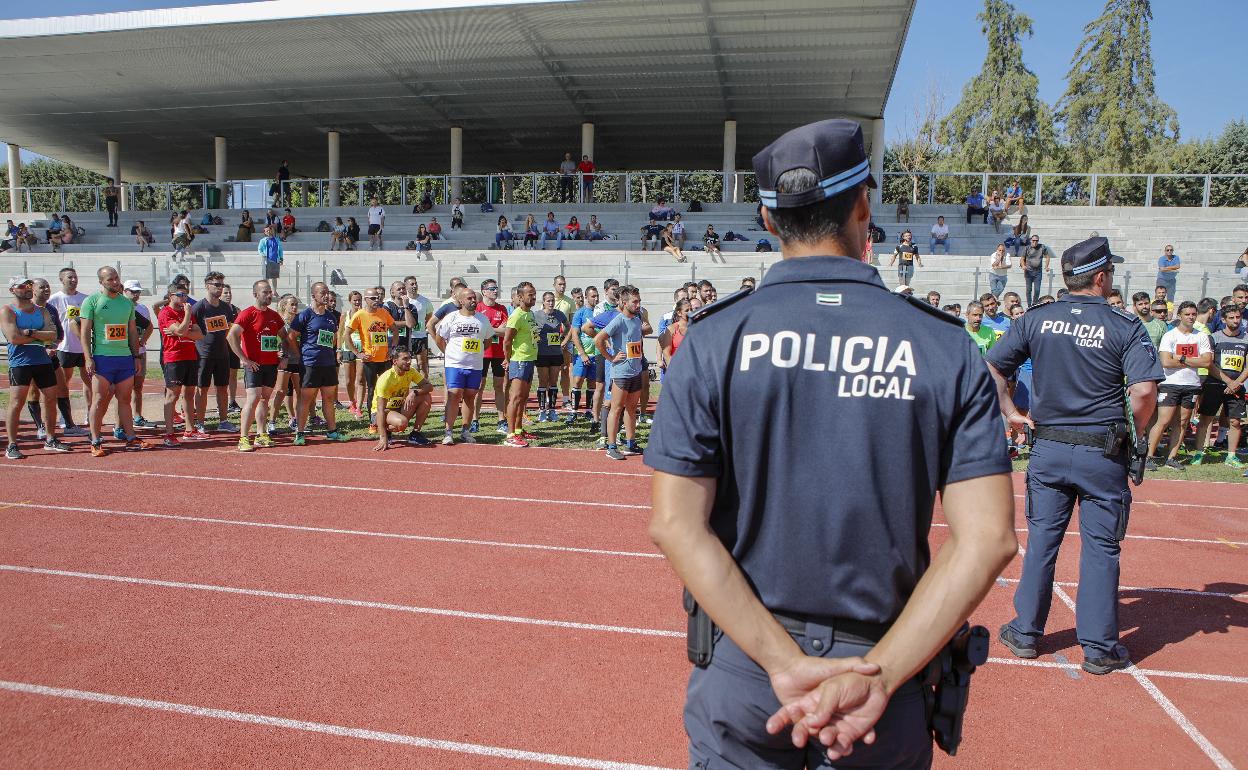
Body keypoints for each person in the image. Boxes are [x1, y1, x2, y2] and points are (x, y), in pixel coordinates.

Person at [648, 119, 1016, 768]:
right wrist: (877, 674)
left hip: (748, 677)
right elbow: (987, 538)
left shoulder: (711, 340)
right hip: (885, 682)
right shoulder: (943, 345)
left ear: (766, 218)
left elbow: (677, 525)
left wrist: (783, 663)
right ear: (864, 205)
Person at [987, 236, 1163, 676]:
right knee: (1101, 548)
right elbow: (1143, 391)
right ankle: (1100, 648)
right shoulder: (1125, 325)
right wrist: (1138, 433)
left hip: (1047, 448)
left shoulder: (1036, 319)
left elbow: (991, 366)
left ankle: (1026, 633)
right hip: (1102, 453)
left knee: (1042, 542)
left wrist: (1010, 412)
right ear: (1101, 277)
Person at [79, 266, 149, 456]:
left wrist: (136, 356)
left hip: (124, 358)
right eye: (110, 279)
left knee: (125, 399)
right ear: (101, 282)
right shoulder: (92, 301)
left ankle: (131, 437)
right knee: (99, 399)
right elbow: (84, 331)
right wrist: (87, 358)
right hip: (102, 358)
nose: (115, 282)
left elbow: (132, 331)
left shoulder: (126, 303)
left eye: (117, 278)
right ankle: (95, 440)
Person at [2, 277, 71, 458]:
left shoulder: (41, 310)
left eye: (29, 285)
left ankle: (50, 438)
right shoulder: (8, 311)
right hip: (20, 362)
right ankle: (12, 444)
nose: (27, 289)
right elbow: (14, 338)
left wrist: (31, 333)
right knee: (16, 402)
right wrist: (40, 337)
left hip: (42, 361)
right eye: (22, 286)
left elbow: (53, 334)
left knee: (50, 398)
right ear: (12, 290)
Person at [433, 286, 505, 444]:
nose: (473, 301)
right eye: (469, 298)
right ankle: (448, 432)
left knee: (470, 396)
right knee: (454, 394)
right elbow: (439, 337)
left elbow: (487, 342)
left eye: (474, 298)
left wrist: (476, 353)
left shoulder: (482, 319)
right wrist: (448, 352)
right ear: (460, 301)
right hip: (454, 364)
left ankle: (465, 430)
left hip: (475, 365)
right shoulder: (452, 317)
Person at [1146, 301, 1212, 471]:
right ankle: (1148, 456)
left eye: (1193, 314)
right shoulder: (1170, 335)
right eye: (1187, 314)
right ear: (1179, 316)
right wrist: (1192, 361)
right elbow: (1166, 361)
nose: (1191, 317)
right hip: (1171, 384)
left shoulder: (1201, 336)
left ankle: (1172, 457)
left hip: (1192, 384)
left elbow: (1206, 361)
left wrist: (1181, 358)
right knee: (1164, 420)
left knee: (1182, 423)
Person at [227, 279, 287, 452]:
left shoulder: (274, 316)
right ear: (255, 294)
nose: (269, 295)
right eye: (265, 292)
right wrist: (244, 359)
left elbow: (284, 336)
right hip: (253, 365)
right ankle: (243, 437)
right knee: (252, 399)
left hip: (271, 365)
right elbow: (232, 336)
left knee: (264, 399)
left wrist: (284, 354)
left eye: (270, 292)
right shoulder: (247, 314)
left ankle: (261, 435)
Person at [289, 282, 350, 445]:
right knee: (306, 398)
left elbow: (334, 337)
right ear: (313, 295)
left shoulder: (330, 317)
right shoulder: (305, 315)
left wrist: (334, 352)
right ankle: (300, 433)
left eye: (327, 292)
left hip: (328, 363)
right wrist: (298, 354)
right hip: (310, 363)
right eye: (322, 292)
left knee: (329, 398)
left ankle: (332, 431)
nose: (326, 295)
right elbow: (291, 336)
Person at [1190, 304, 1246, 467]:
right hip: (1215, 384)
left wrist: (1237, 383)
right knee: (1206, 419)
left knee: (1235, 421)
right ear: (1223, 319)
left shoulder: (1246, 338)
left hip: (1237, 386)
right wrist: (1228, 381)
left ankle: (1231, 456)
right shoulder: (1213, 337)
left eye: (1238, 317)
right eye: (1231, 317)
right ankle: (1199, 453)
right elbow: (1209, 363)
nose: (1236, 320)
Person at [46, 267, 92, 436]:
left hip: (84, 347)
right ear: (61, 279)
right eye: (69, 277)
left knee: (89, 380)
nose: (73, 280)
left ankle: (90, 414)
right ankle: (65, 417)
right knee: (63, 382)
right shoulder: (54, 299)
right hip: (65, 347)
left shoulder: (85, 299)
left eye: (75, 277)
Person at [191, 272, 238, 436]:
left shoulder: (226, 308)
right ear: (207, 285)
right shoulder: (199, 307)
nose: (220, 288)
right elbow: (190, 329)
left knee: (222, 388)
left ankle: (223, 421)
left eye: (221, 285)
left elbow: (229, 329)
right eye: (217, 285)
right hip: (204, 354)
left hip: (222, 353)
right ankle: (201, 423)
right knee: (202, 389)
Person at [346, 286, 397, 429]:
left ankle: (387, 420)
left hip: (385, 360)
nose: (377, 300)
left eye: (378, 297)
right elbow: (346, 335)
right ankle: (372, 422)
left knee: (387, 389)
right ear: (366, 300)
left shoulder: (383, 312)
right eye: (373, 298)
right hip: (370, 361)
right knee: (372, 390)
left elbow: (394, 330)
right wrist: (358, 353)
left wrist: (392, 349)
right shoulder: (360, 315)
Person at [158, 285, 202, 446]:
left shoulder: (185, 312)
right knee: (172, 395)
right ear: (171, 295)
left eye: (186, 295)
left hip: (190, 356)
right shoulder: (166, 313)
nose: (184, 298)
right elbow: (181, 329)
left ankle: (189, 430)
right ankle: (169, 433)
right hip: (174, 358)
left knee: (189, 393)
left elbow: (199, 335)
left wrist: (185, 332)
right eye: (181, 295)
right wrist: (188, 317)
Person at [372, 348, 435, 449]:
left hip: (398, 407)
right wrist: (383, 438)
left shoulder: (411, 371)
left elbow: (429, 386)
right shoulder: (386, 379)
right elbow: (380, 410)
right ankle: (385, 431)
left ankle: (415, 434)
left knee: (425, 396)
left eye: (410, 358)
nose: (409, 361)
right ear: (395, 361)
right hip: (382, 412)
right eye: (405, 359)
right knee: (402, 423)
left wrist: (414, 392)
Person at [502, 282, 538, 447]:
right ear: (520, 296)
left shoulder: (529, 314)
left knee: (523, 398)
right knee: (515, 398)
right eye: (530, 294)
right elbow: (507, 340)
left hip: (529, 359)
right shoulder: (517, 315)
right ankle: (510, 435)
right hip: (519, 360)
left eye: (534, 294)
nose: (533, 297)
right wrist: (507, 359)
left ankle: (518, 430)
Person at [475, 280, 509, 433]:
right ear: (484, 291)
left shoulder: (501, 309)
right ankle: (475, 420)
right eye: (492, 288)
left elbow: (505, 330)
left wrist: (488, 329)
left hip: (498, 353)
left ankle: (501, 420)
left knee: (498, 386)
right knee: (479, 387)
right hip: (481, 353)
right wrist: (495, 329)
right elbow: (477, 329)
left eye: (496, 288)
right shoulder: (477, 308)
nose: (496, 291)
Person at [121, 280, 154, 429]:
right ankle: (122, 420)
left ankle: (137, 416)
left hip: (140, 353)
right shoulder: (121, 308)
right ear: (125, 291)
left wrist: (142, 341)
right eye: (133, 291)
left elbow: (149, 326)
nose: (136, 295)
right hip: (125, 353)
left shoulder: (142, 308)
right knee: (123, 388)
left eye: (138, 292)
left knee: (138, 386)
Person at [532, 291, 569, 422]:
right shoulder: (536, 315)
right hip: (542, 353)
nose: (551, 303)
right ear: (543, 302)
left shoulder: (559, 314)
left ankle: (552, 410)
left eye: (552, 300)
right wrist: (536, 340)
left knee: (553, 382)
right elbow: (531, 330)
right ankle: (542, 411)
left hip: (556, 353)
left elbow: (568, 327)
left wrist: (563, 338)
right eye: (548, 301)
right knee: (543, 381)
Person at [568, 286, 601, 424]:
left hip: (597, 354)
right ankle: (573, 412)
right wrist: (582, 354)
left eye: (597, 296)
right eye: (593, 296)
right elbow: (574, 334)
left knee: (592, 384)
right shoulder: (580, 313)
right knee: (577, 382)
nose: (596, 298)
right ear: (586, 297)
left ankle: (588, 411)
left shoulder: (600, 312)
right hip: (582, 355)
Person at [403, 276, 435, 379]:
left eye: (415, 283)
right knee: (405, 362)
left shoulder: (425, 301)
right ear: (406, 286)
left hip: (420, 336)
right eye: (411, 284)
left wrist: (422, 326)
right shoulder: (403, 300)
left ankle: (424, 383)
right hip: (407, 336)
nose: (414, 286)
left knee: (422, 363)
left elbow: (429, 316)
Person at [1019, 234, 1053, 307]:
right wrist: (1023, 265)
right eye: (1033, 240)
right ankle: (1029, 304)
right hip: (1028, 271)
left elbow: (1047, 257)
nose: (1035, 242)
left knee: (1037, 289)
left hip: (1038, 272)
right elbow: (1022, 258)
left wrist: (1046, 266)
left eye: (1036, 241)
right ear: (1031, 240)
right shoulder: (1027, 248)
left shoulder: (1042, 247)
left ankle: (1034, 303)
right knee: (1029, 289)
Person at [258, 225, 284, 293]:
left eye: (269, 230)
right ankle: (267, 291)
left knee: (274, 278)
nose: (268, 232)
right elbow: (259, 250)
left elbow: (280, 250)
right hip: (266, 261)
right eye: (266, 231)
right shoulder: (263, 240)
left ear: (271, 231)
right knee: (266, 278)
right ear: (265, 232)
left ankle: (274, 291)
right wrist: (264, 255)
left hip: (275, 261)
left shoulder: (276, 240)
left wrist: (281, 258)